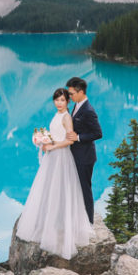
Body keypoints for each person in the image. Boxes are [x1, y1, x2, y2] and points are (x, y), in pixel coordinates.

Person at [16, 88, 93, 259]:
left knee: (60, 188)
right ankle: (50, 223)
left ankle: (61, 227)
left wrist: (52, 146)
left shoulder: (66, 117)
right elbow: (55, 134)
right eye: (56, 100)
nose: (59, 103)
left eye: (62, 100)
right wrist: (45, 141)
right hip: (51, 156)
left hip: (61, 157)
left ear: (68, 102)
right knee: (48, 187)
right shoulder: (57, 115)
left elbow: (69, 140)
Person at [66, 77, 102, 224]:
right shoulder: (77, 105)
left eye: (71, 93)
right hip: (76, 155)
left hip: (85, 158)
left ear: (81, 92)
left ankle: (89, 223)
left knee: (85, 190)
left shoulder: (88, 110)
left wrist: (79, 137)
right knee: (77, 188)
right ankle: (79, 218)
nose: (70, 96)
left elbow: (98, 133)